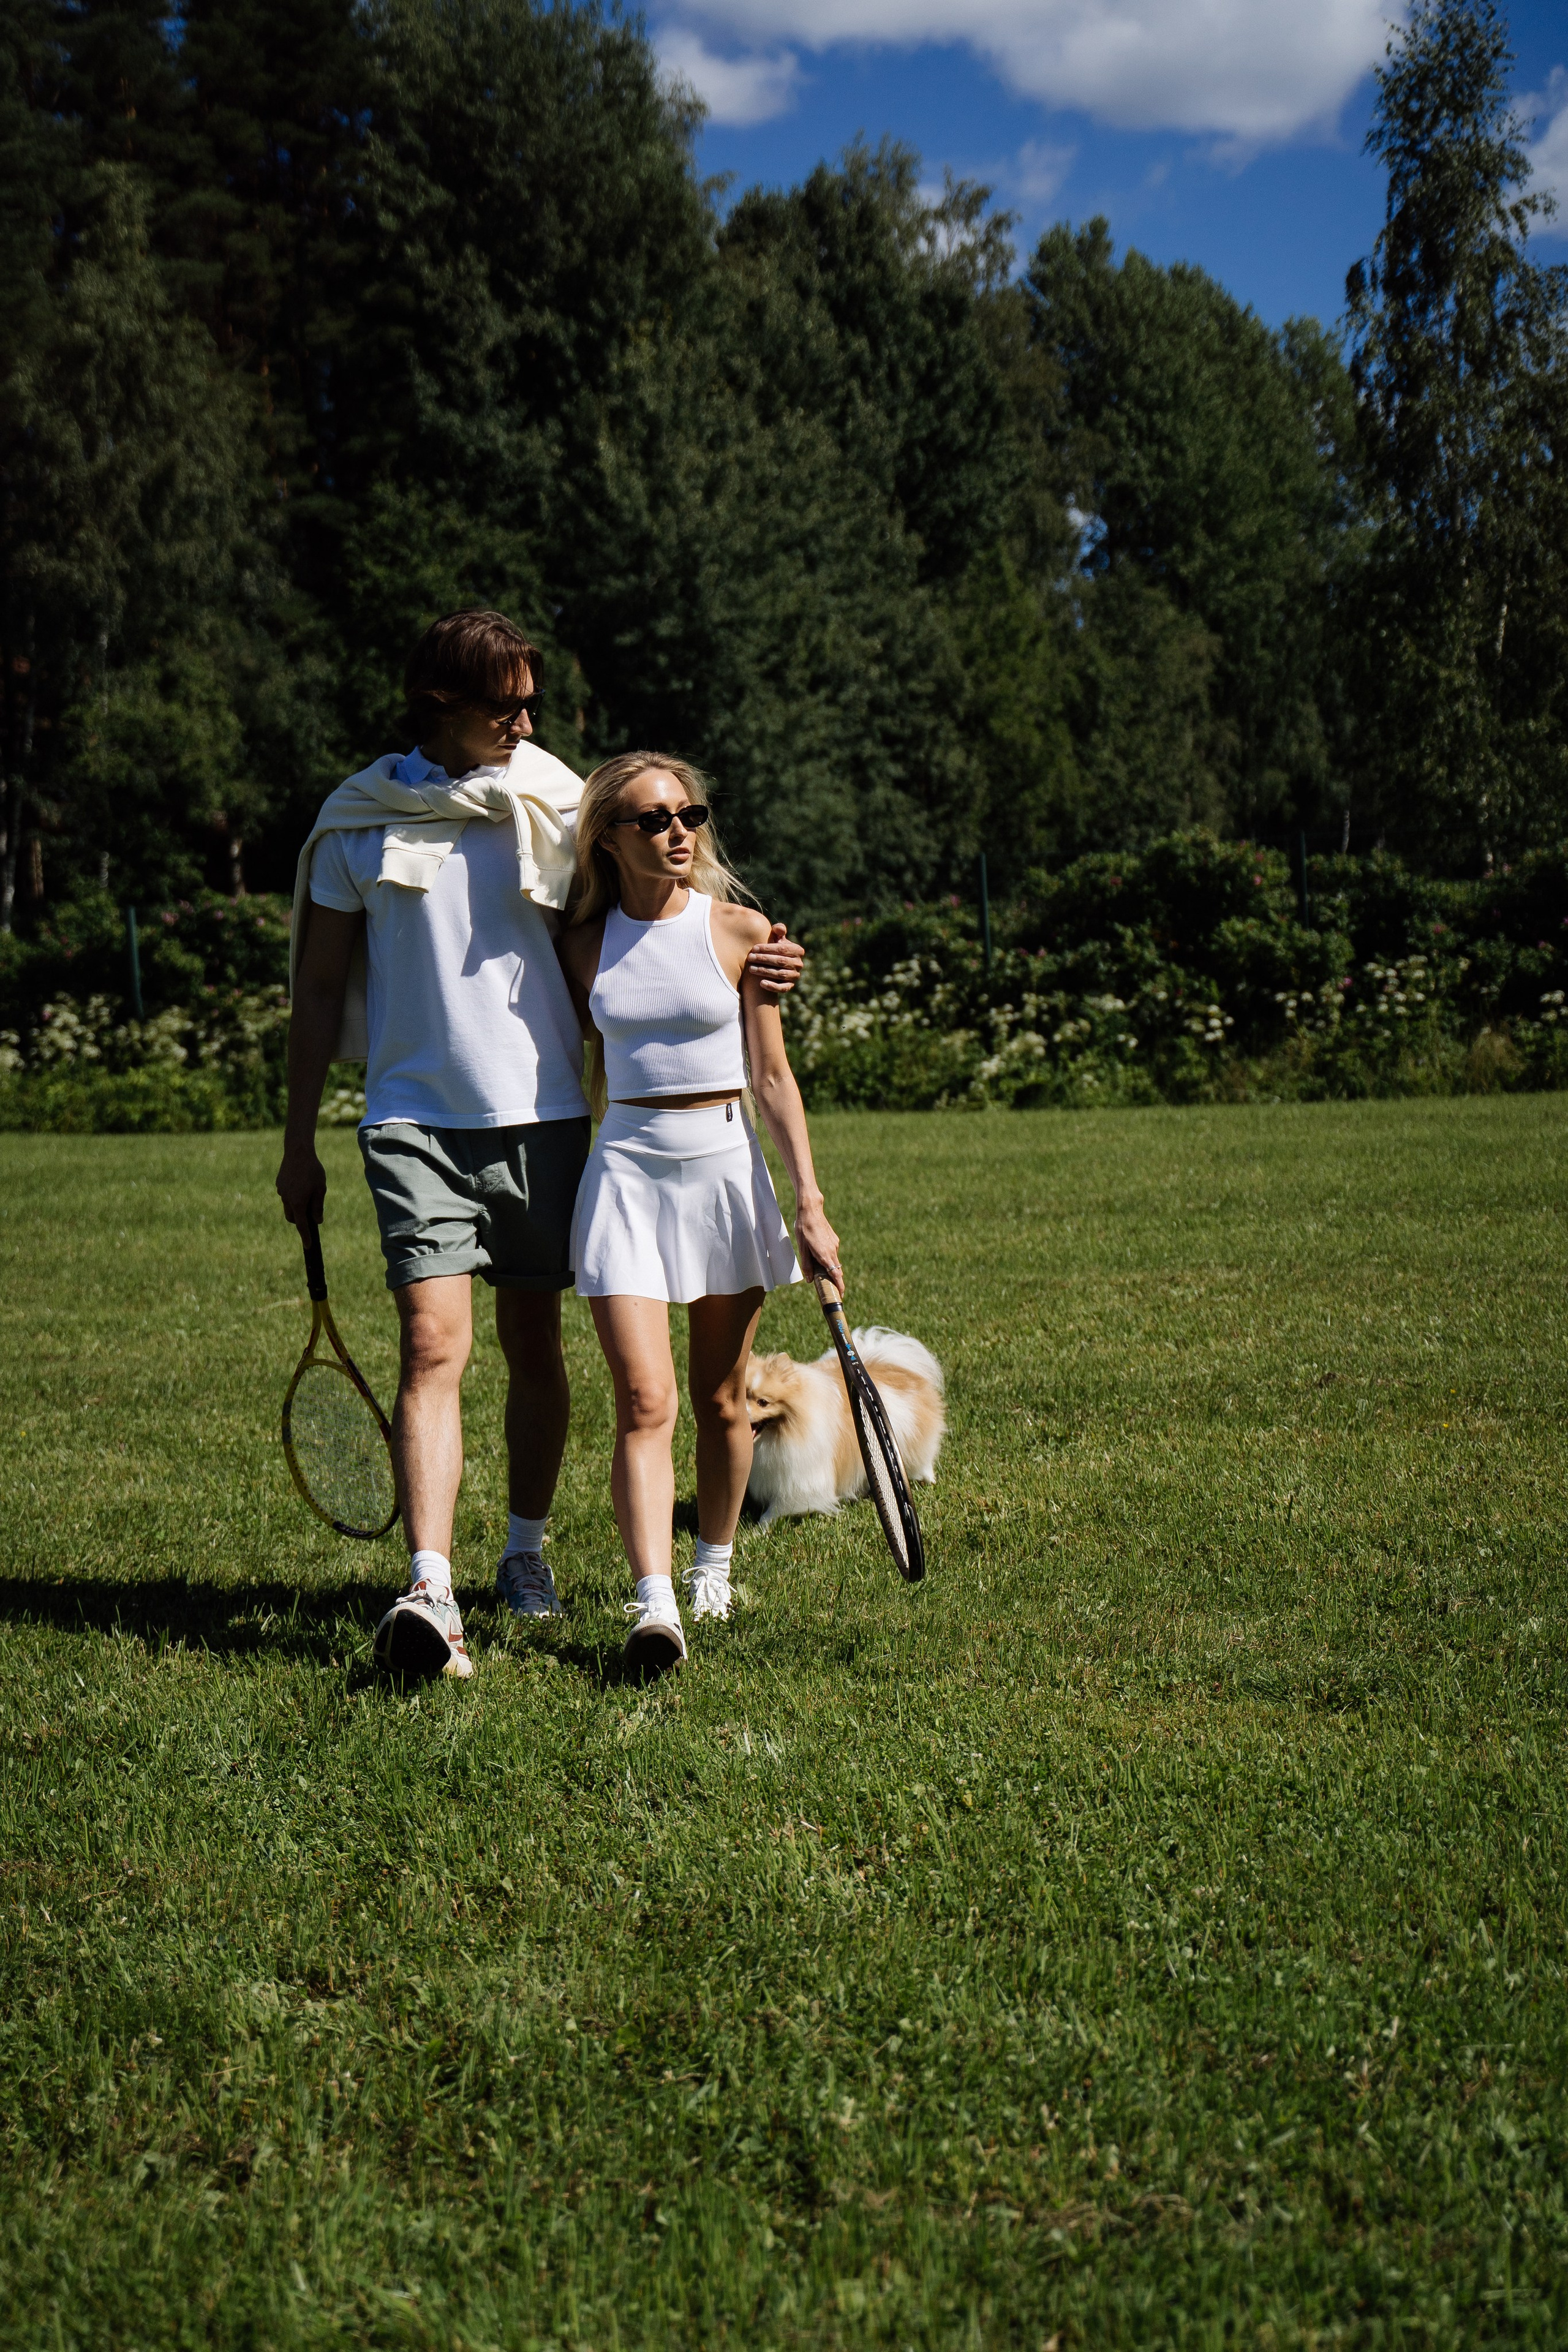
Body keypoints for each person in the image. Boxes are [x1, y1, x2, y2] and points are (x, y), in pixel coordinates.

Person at [275, 612, 803, 1679]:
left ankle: (523, 1553)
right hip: (410, 1119)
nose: (524, 720)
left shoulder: (561, 801)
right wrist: (297, 1142)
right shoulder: (356, 824)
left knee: (533, 1348)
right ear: (439, 705)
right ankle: (431, 1587)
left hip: (553, 1119)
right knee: (433, 1346)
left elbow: (659, 898)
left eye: (530, 701)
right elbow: (319, 991)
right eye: (504, 704)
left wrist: (758, 959)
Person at [555, 752, 842, 1674]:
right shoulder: (581, 945)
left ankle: (712, 1564)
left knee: (722, 1400)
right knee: (645, 1400)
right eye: (653, 818)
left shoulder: (740, 930)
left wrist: (811, 1203)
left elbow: (771, 1077)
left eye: (690, 813)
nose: (679, 831)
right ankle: (654, 1606)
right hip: (627, 1172)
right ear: (609, 837)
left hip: (725, 1169)